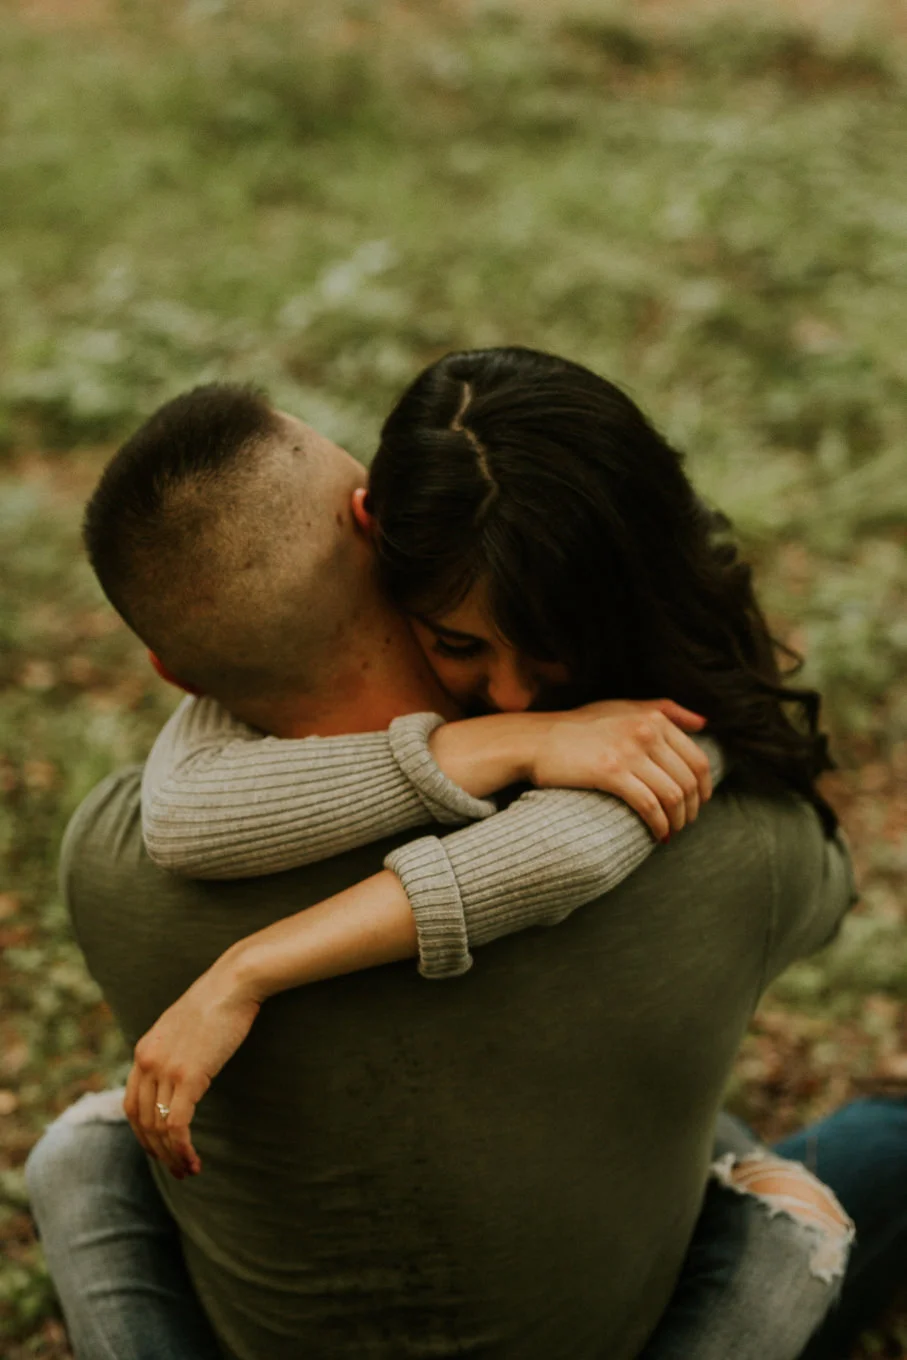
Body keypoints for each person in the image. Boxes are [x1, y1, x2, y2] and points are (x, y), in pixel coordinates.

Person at [26, 351, 870, 1360]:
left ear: (167, 670)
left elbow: (178, 810)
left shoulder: (108, 862)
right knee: (806, 1194)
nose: (512, 699)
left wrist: (248, 965)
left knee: (81, 1145)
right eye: (462, 645)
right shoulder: (733, 841)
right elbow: (818, 890)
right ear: (371, 522)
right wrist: (529, 744)